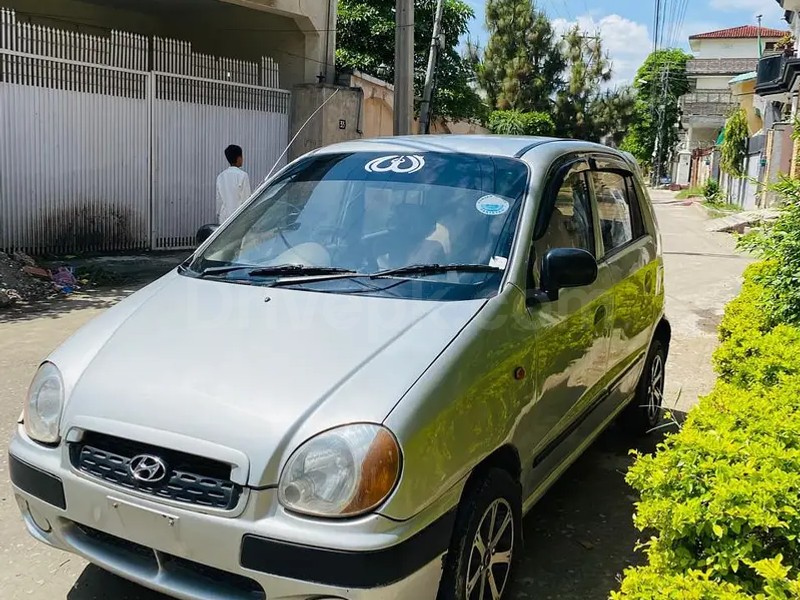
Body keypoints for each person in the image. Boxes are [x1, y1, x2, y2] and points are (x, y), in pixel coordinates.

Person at [216, 145, 251, 224]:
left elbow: (219, 201)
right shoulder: (243, 175)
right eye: (242, 157)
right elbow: (246, 199)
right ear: (239, 158)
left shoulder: (220, 176)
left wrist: (219, 214)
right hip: (238, 218)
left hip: (224, 218)